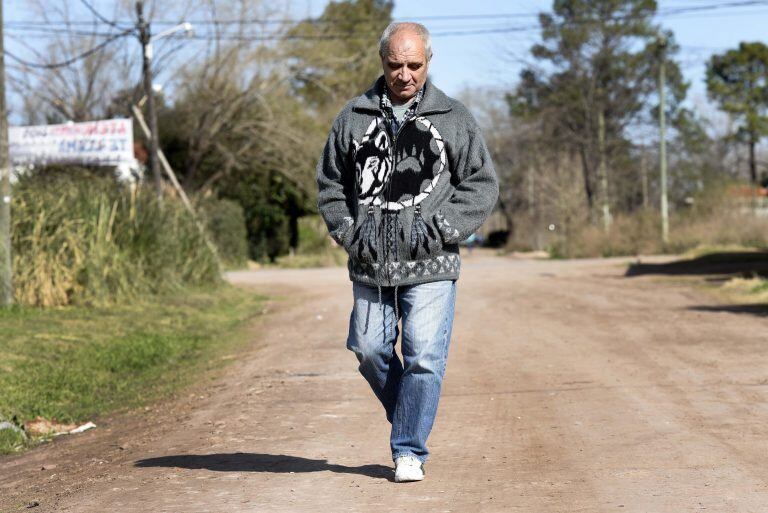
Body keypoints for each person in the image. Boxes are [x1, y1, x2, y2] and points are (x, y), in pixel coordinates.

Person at [316, 21, 498, 483]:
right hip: (370, 265)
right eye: (395, 65)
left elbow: (481, 184)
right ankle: (410, 416)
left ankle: (408, 449)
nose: (404, 74)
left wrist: (441, 228)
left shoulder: (453, 117)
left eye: (414, 65)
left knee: (423, 359)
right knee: (369, 350)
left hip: (432, 264)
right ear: (383, 62)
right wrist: (349, 233)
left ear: (428, 63)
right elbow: (331, 185)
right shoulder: (353, 116)